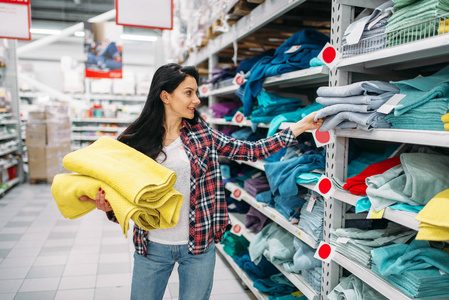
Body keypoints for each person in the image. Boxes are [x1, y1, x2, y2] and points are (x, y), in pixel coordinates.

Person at [79, 63, 324, 300]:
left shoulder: (202, 134)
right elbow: (121, 191)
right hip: (152, 245)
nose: (196, 99)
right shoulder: (136, 140)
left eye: (196, 92)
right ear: (165, 96)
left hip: (198, 246)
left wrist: (301, 125)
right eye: (189, 92)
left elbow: (252, 150)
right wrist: (108, 206)